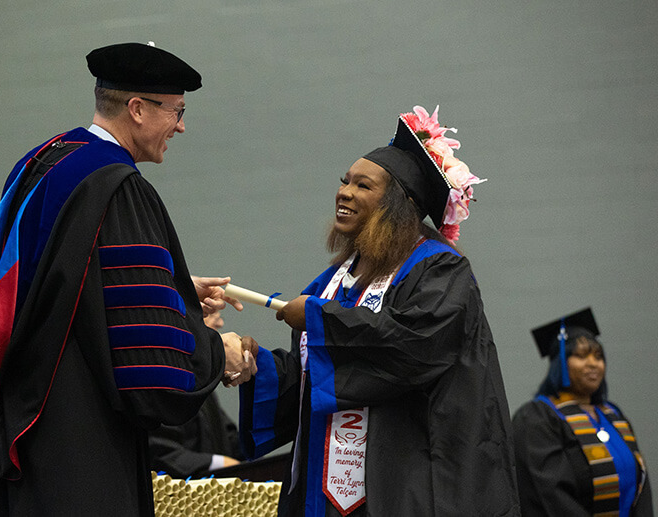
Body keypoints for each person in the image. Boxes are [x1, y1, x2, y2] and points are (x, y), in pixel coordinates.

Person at [0, 42, 253, 516]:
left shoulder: (44, 163)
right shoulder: (118, 186)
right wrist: (220, 353)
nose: (181, 125)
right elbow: (146, 364)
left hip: (24, 424)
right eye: (176, 111)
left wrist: (174, 293)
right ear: (137, 109)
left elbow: (71, 289)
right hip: (80, 445)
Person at [237, 106, 519, 515]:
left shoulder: (440, 270)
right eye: (345, 182)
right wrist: (255, 366)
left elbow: (411, 349)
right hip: (328, 490)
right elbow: (317, 375)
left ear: (398, 205)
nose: (345, 192)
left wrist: (319, 319)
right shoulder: (336, 279)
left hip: (406, 483)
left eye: (363, 186)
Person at [512, 308, 652, 516]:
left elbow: (641, 488)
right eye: (581, 356)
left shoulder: (612, 414)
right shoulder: (537, 417)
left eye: (598, 356)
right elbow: (551, 496)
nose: (593, 364)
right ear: (560, 363)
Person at [148, 311, 245, 478]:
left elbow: (228, 438)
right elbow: (159, 450)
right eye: (209, 312)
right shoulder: (159, 377)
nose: (220, 323)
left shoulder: (199, 381)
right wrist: (220, 463)